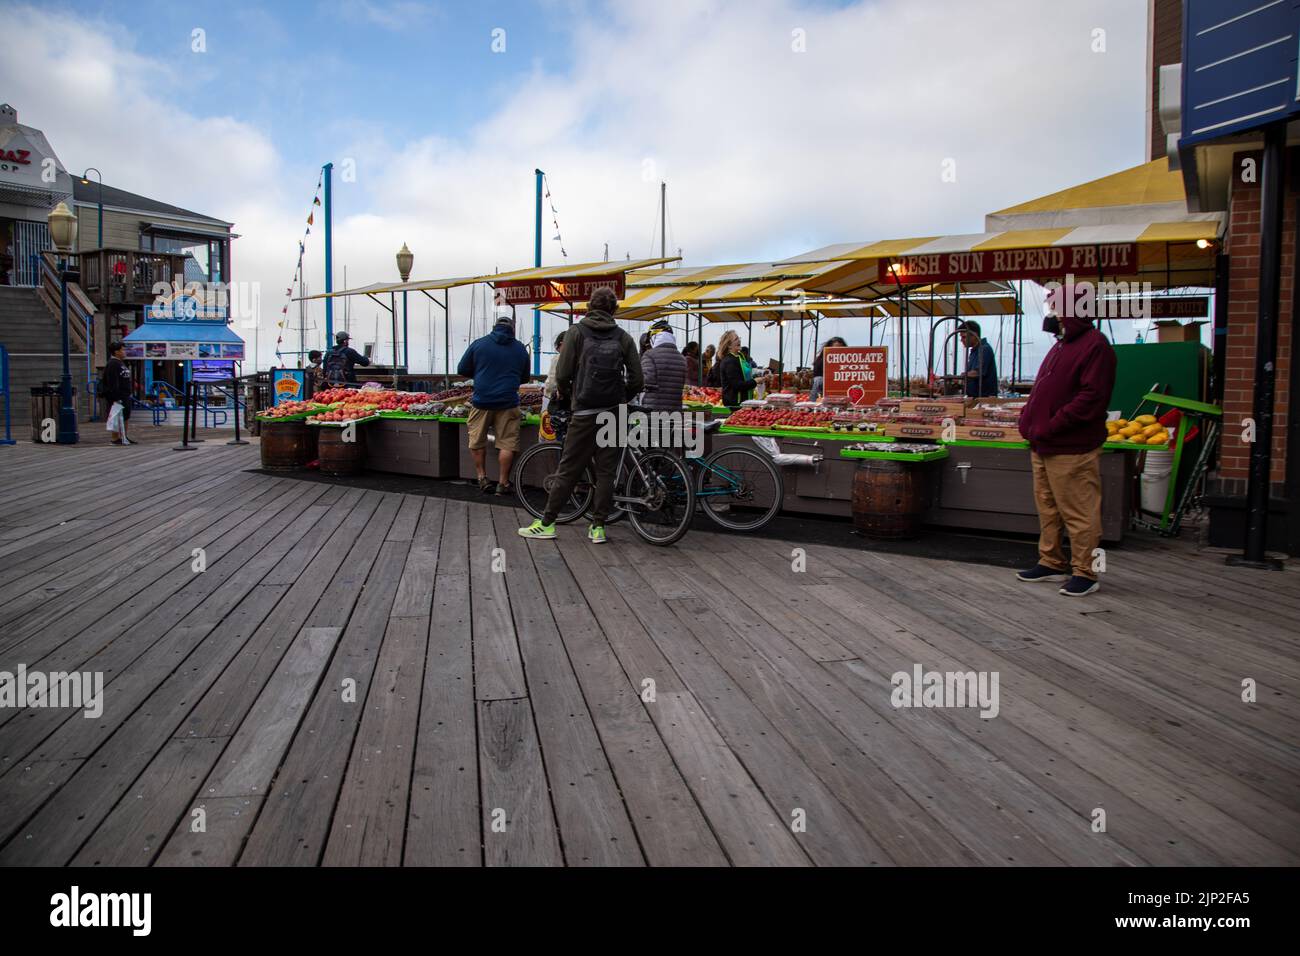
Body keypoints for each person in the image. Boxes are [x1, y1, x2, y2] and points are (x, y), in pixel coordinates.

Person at [519, 286, 642, 544]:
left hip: (584, 411)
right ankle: (598, 527)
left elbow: (562, 375)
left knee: (568, 468)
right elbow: (637, 379)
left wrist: (569, 395)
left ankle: (547, 523)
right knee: (607, 471)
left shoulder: (576, 333)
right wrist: (623, 398)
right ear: (614, 310)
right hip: (614, 413)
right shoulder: (623, 337)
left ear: (589, 307)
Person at [1015, 309, 1117, 597]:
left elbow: (1092, 397)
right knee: (1048, 507)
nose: (1052, 316)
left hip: (1071, 445)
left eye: (1057, 311)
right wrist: (1028, 420)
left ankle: (1085, 571)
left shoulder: (1096, 345)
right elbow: (1043, 390)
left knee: (1079, 511)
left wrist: (1051, 424)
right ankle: (1051, 560)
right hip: (1043, 443)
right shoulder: (1061, 345)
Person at [457, 310, 531, 494]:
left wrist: (482, 373)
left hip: (482, 400)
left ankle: (482, 477)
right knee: (507, 443)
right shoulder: (520, 348)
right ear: (512, 330)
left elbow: (462, 369)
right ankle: (503, 483)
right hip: (508, 401)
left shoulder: (479, 344)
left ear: (494, 328)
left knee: (477, 440)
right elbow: (525, 377)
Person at [640, 319, 687, 412]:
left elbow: (644, 382)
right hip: (675, 410)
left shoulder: (649, 355)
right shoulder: (682, 358)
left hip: (653, 409)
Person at [101, 340, 133, 445]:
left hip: (125, 394)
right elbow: (112, 381)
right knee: (116, 416)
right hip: (118, 395)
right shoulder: (112, 364)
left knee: (126, 415)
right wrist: (115, 397)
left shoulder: (120, 363)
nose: (124, 352)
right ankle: (115, 438)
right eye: (122, 350)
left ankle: (124, 436)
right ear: (116, 352)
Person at [543, 330, 572, 446]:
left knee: (561, 440)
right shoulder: (580, 357)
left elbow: (551, 383)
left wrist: (549, 393)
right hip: (579, 406)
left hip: (562, 406)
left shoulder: (558, 358)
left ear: (562, 344)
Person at [717, 330, 758, 407]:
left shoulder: (739, 356)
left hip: (744, 401)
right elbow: (737, 385)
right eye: (736, 339)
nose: (739, 340)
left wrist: (758, 374)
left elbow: (745, 375)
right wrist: (755, 381)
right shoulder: (729, 361)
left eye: (739, 338)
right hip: (734, 404)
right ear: (729, 345)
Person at [959, 321, 998, 398]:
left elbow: (978, 372)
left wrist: (959, 377)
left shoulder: (984, 349)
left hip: (984, 399)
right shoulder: (974, 351)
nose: (961, 340)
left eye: (964, 337)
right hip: (974, 397)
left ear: (974, 335)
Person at [809, 336, 847, 402]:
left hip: (843, 385)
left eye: (840, 349)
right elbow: (817, 377)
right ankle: (814, 404)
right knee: (818, 380)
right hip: (827, 385)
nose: (837, 352)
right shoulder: (821, 360)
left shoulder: (848, 360)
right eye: (835, 349)